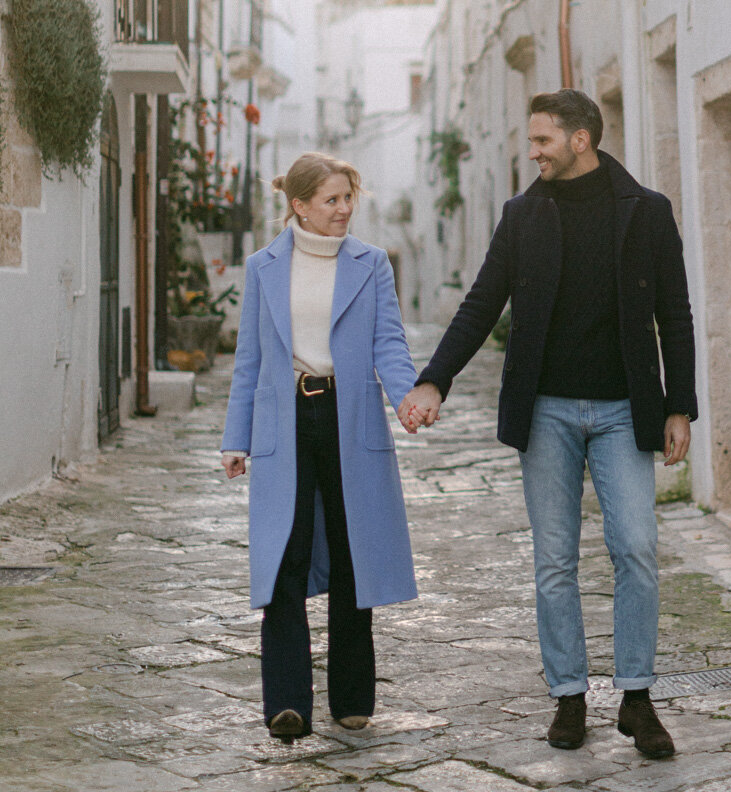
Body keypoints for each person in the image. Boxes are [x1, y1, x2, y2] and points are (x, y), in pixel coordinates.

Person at [400, 89, 697, 761]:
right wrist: (434, 379)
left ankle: (637, 698)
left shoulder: (645, 212)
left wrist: (679, 403)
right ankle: (567, 695)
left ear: (580, 139)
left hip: (625, 411)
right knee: (554, 561)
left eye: (541, 141)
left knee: (636, 549)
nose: (531, 151)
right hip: (546, 413)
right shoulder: (522, 215)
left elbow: (674, 313)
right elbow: (481, 303)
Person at [221, 151, 420, 741]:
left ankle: (353, 697)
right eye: (331, 200)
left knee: (354, 549)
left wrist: (410, 399)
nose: (343, 210)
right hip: (284, 422)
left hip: (348, 415)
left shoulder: (372, 263)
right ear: (299, 204)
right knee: (285, 551)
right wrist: (236, 438)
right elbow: (249, 358)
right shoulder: (263, 267)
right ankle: (287, 702)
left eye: (348, 198)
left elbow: (390, 342)